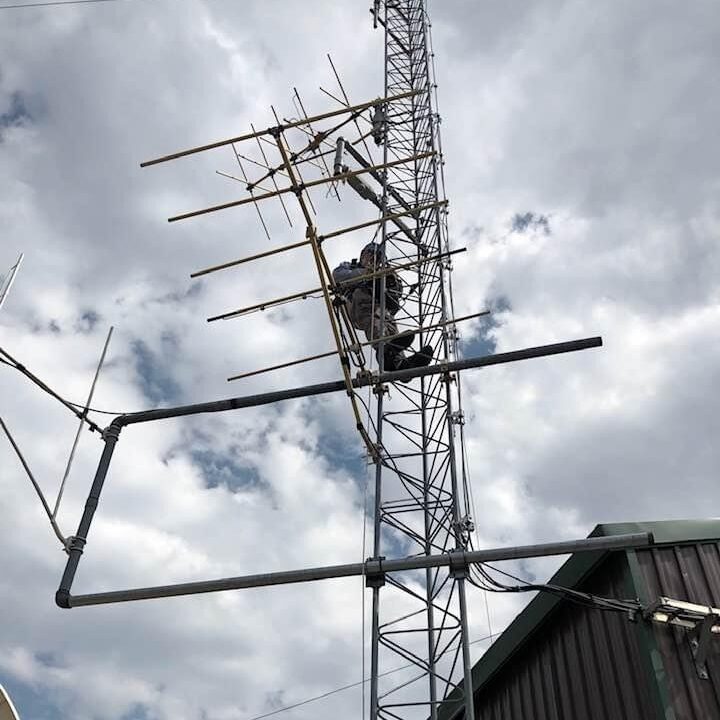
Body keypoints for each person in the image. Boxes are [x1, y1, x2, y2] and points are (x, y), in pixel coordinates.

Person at [332, 242, 433, 372]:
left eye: (378, 257)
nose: (373, 258)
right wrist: (367, 274)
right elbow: (338, 276)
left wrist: (389, 281)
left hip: (379, 309)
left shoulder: (384, 272)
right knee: (373, 318)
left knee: (388, 323)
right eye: (370, 254)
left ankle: (400, 364)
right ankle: (383, 351)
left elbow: (396, 296)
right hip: (358, 306)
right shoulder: (349, 267)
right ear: (362, 255)